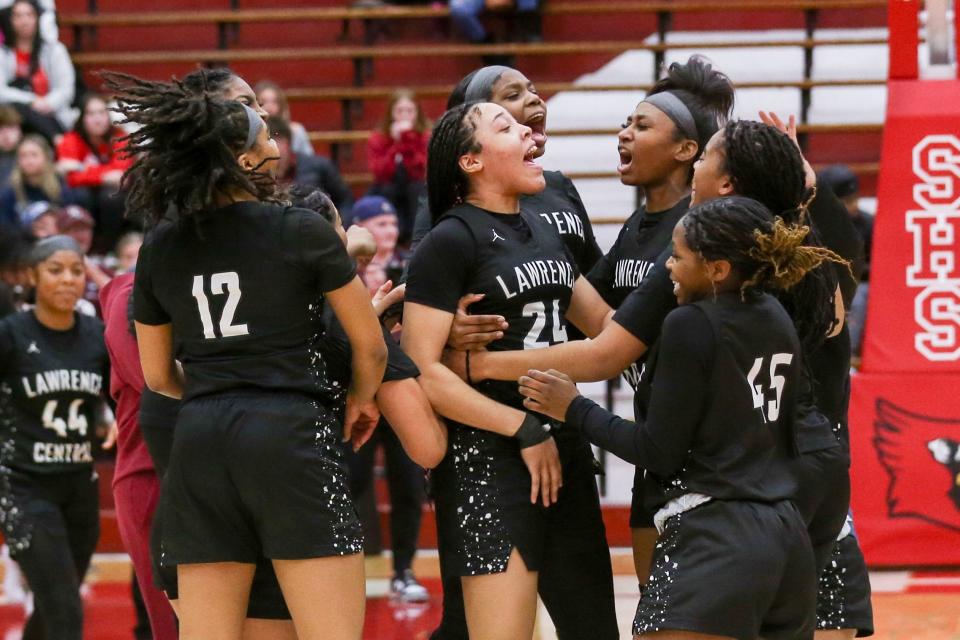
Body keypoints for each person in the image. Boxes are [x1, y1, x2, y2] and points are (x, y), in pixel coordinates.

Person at [109, 69, 388, 640]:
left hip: (200, 441)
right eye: (265, 135)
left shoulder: (160, 243)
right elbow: (371, 346)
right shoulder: (303, 228)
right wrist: (360, 399)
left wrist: (221, 390)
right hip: (290, 435)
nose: (276, 144)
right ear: (240, 159)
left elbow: (158, 374)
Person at [520, 196, 850, 640]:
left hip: (716, 535)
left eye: (677, 257)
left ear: (717, 270)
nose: (668, 268)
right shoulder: (775, 314)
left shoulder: (690, 322)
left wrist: (573, 407)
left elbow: (657, 451)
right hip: (786, 536)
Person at [403, 102, 619, 640]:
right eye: (505, 127)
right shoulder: (450, 241)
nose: (527, 130)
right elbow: (423, 369)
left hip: (564, 447)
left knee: (595, 630)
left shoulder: (544, 230)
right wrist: (519, 427)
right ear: (471, 162)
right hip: (488, 459)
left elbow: (608, 328)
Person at [0, 235, 112, 640]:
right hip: (25, 486)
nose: (68, 279)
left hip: (80, 485)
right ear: (32, 277)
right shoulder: (10, 335)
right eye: (55, 270)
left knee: (53, 609)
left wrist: (112, 417)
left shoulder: (97, 335)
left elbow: (112, 394)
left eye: (77, 270)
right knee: (66, 609)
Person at [100, 271, 179, 640]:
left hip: (213, 467)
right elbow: (154, 380)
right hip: (149, 473)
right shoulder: (128, 295)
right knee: (173, 626)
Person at [55, 93, 133, 254]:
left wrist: (81, 170)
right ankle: (80, 248)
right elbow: (70, 179)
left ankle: (110, 249)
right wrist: (104, 175)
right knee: (79, 194)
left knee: (111, 196)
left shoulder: (120, 137)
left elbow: (121, 176)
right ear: (82, 118)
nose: (98, 119)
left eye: (102, 113)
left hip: (113, 199)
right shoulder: (71, 139)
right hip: (84, 197)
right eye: (91, 114)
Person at [0, 0, 76, 143]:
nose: (24, 21)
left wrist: (47, 103)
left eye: (29, 15)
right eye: (18, 16)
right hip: (14, 120)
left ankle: (56, 138)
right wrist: (32, 101)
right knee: (19, 107)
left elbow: (66, 89)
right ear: (9, 20)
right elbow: (1, 92)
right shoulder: (3, 54)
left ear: (38, 18)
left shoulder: (55, 50)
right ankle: (57, 140)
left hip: (53, 114)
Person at [819, 164, 871, 363]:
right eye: (848, 201)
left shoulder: (867, 223)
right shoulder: (809, 224)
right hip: (823, 285)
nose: (855, 206)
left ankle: (847, 358)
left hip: (857, 286)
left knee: (858, 298)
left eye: (855, 198)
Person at [367, 89, 429, 243]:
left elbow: (422, 170)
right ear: (391, 113)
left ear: (417, 113)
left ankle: (418, 236)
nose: (405, 115)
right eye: (399, 111)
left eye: (410, 111)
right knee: (386, 190)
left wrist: (407, 141)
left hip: (416, 186)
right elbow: (380, 172)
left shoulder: (425, 136)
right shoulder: (378, 138)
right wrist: (395, 145)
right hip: (388, 187)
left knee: (417, 189)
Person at [268, 115, 354, 223]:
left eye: (278, 141)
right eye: (270, 142)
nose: (275, 148)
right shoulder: (256, 176)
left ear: (288, 143)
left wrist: (340, 227)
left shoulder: (319, 166)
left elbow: (345, 200)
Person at [0, 134, 76, 225]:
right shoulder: (11, 189)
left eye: (34, 155)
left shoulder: (60, 185)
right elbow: (6, 226)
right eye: (23, 156)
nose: (29, 160)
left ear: (46, 157)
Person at [255, 80, 314, 157]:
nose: (269, 107)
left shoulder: (296, 131)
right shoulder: (251, 133)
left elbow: (308, 159)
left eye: (274, 102)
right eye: (264, 102)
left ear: (281, 105)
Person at [0, 104, 23, 188]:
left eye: (10, 128)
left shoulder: (32, 153)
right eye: (0, 129)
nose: (6, 135)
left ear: (19, 130)